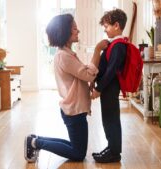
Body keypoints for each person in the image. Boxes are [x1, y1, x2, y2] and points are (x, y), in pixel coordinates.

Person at [24, 13, 108, 163]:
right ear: (64, 32)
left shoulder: (66, 54)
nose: (78, 31)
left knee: (76, 147)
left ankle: (35, 140)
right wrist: (97, 50)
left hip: (74, 109)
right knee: (77, 153)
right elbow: (88, 74)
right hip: (74, 110)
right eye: (74, 29)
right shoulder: (64, 56)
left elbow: (82, 75)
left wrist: (89, 79)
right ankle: (36, 143)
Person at [91, 8, 128, 163]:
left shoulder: (119, 45)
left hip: (110, 88)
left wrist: (99, 89)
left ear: (116, 26)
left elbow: (112, 70)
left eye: (106, 26)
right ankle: (111, 147)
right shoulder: (114, 44)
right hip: (108, 87)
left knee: (111, 119)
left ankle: (114, 152)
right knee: (108, 118)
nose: (105, 30)